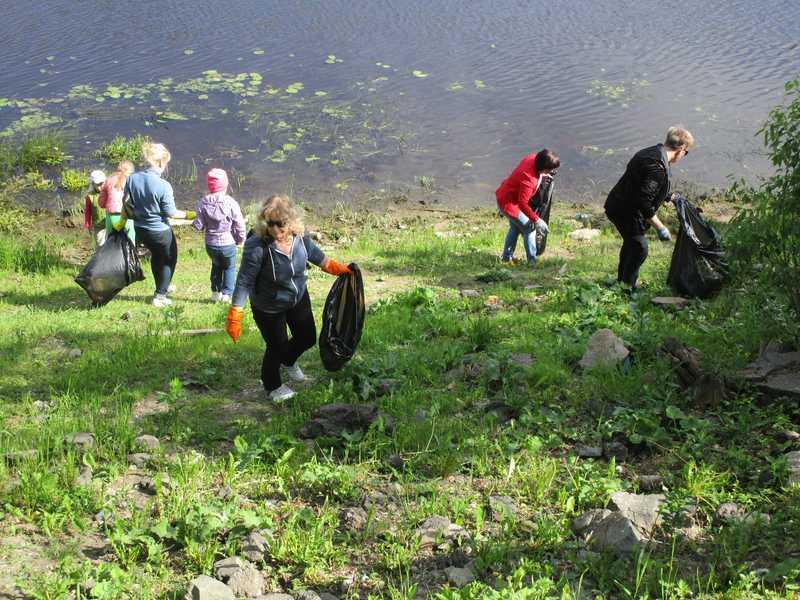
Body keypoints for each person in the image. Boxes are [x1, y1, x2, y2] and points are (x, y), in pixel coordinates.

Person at [225, 195, 352, 402]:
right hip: (269, 305)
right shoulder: (257, 245)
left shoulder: (299, 235)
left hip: (297, 296)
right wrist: (235, 312)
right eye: (270, 224)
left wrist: (334, 267)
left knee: (308, 337)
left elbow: (314, 254)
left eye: (280, 224)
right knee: (276, 346)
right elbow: (244, 281)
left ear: (291, 221)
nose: (275, 230)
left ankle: (289, 361)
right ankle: (272, 384)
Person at [604, 126, 695, 291]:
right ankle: (626, 288)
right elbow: (643, 201)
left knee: (632, 243)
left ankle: (622, 282)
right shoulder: (657, 166)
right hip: (624, 209)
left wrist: (670, 196)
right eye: (686, 153)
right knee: (640, 248)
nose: (684, 156)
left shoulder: (652, 152)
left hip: (619, 203)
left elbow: (643, 185)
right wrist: (661, 228)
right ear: (681, 149)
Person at [122, 142, 195, 307]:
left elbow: (127, 203)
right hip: (159, 231)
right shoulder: (163, 186)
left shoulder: (132, 179)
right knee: (169, 259)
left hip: (140, 229)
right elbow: (171, 213)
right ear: (161, 162)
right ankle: (160, 296)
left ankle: (163, 285)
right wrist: (190, 214)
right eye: (166, 163)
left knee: (156, 256)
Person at [496, 149, 561, 266]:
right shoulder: (529, 180)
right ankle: (532, 261)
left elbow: (538, 170)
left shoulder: (532, 157)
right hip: (509, 204)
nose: (552, 172)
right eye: (550, 170)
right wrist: (537, 220)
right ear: (543, 167)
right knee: (529, 228)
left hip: (506, 194)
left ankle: (506, 258)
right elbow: (523, 204)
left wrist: (546, 175)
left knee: (515, 228)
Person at [193, 168, 246, 303]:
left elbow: (198, 225)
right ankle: (227, 293)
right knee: (229, 267)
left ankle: (215, 292)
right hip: (228, 243)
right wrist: (240, 240)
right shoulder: (231, 202)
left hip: (210, 244)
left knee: (216, 265)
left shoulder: (202, 202)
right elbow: (239, 223)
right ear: (226, 184)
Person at [99, 160, 135, 244]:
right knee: (131, 240)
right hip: (126, 216)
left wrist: (106, 205)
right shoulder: (132, 181)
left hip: (111, 216)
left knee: (109, 240)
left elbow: (101, 203)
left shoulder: (109, 180)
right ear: (131, 172)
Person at [83, 170, 107, 246]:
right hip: (98, 226)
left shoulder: (109, 193)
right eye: (98, 184)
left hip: (110, 223)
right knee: (100, 245)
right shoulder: (90, 196)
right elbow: (87, 211)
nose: (101, 186)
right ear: (93, 184)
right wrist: (88, 224)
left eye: (102, 183)